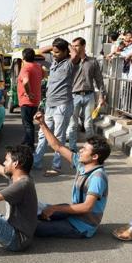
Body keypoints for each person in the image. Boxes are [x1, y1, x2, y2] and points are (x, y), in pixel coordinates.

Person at [34, 111, 111, 238]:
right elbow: (57, 146)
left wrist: (55, 209)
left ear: (95, 157)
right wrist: (42, 124)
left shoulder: (98, 177)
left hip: (82, 226)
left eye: (84, 149)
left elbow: (86, 207)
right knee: (38, 209)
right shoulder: (82, 164)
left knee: (34, 227)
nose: (80, 150)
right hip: (74, 213)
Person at [33, 38, 80, 176]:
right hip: (50, 105)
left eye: (58, 52)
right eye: (53, 52)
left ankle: (56, 166)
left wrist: (68, 45)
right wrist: (54, 46)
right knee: (43, 134)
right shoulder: (53, 62)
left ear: (66, 52)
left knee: (58, 138)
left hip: (63, 105)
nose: (54, 54)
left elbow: (76, 55)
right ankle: (36, 162)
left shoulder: (70, 64)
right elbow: (40, 51)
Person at [66, 37, 107, 152]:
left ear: (83, 46)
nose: (74, 48)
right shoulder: (71, 62)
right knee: (73, 124)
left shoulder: (92, 62)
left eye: (76, 45)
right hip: (74, 96)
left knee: (88, 124)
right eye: (72, 46)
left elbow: (99, 80)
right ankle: (73, 149)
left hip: (89, 95)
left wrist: (101, 96)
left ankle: (91, 148)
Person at [18, 48, 44, 149]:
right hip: (35, 100)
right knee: (29, 122)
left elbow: (25, 81)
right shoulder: (37, 66)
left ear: (23, 57)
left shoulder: (26, 68)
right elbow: (44, 75)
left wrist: (28, 93)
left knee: (27, 124)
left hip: (27, 101)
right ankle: (26, 140)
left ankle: (30, 145)